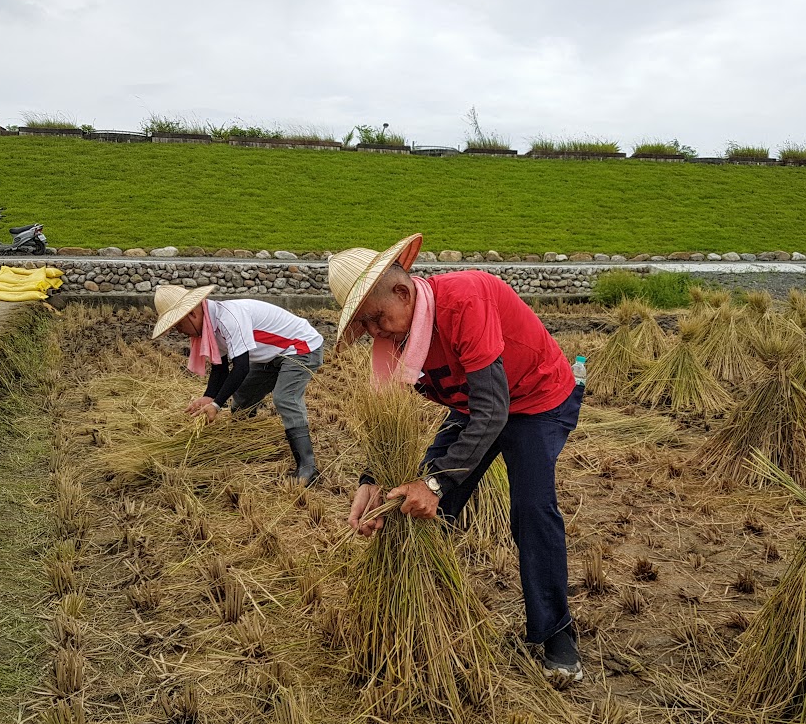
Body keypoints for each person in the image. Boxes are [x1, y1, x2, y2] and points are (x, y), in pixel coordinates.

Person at [328, 233, 585, 682]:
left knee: (530, 507)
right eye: (363, 326)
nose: (373, 332)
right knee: (410, 503)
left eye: (374, 318)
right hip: (473, 406)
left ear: (403, 292)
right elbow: (392, 417)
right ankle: (423, 610)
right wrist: (372, 480)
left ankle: (555, 632)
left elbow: (494, 410)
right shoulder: (394, 338)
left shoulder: (464, 300)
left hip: (536, 399)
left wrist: (434, 484)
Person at [151, 285, 325, 485]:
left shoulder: (229, 318)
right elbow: (220, 368)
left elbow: (241, 367)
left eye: (179, 326)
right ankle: (247, 444)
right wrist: (209, 396)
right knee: (243, 397)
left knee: (285, 398)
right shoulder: (211, 326)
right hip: (271, 355)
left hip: (301, 347)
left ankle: (307, 466)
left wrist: (217, 405)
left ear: (192, 314)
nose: (180, 332)